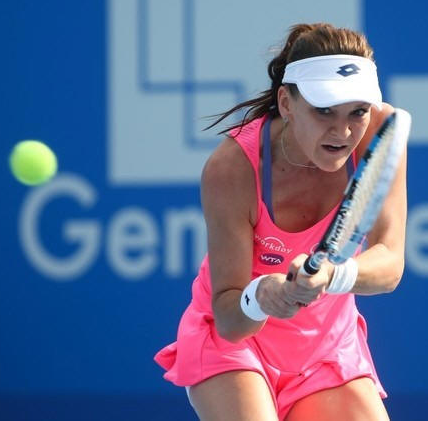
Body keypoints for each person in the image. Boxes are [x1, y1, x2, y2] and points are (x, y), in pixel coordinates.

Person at [154, 23, 407, 421]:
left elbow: (389, 264)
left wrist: (333, 275)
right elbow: (230, 320)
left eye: (357, 111)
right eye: (324, 110)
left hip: (327, 350)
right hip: (235, 347)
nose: (343, 131)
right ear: (286, 103)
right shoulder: (233, 168)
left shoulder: (380, 133)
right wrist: (262, 296)